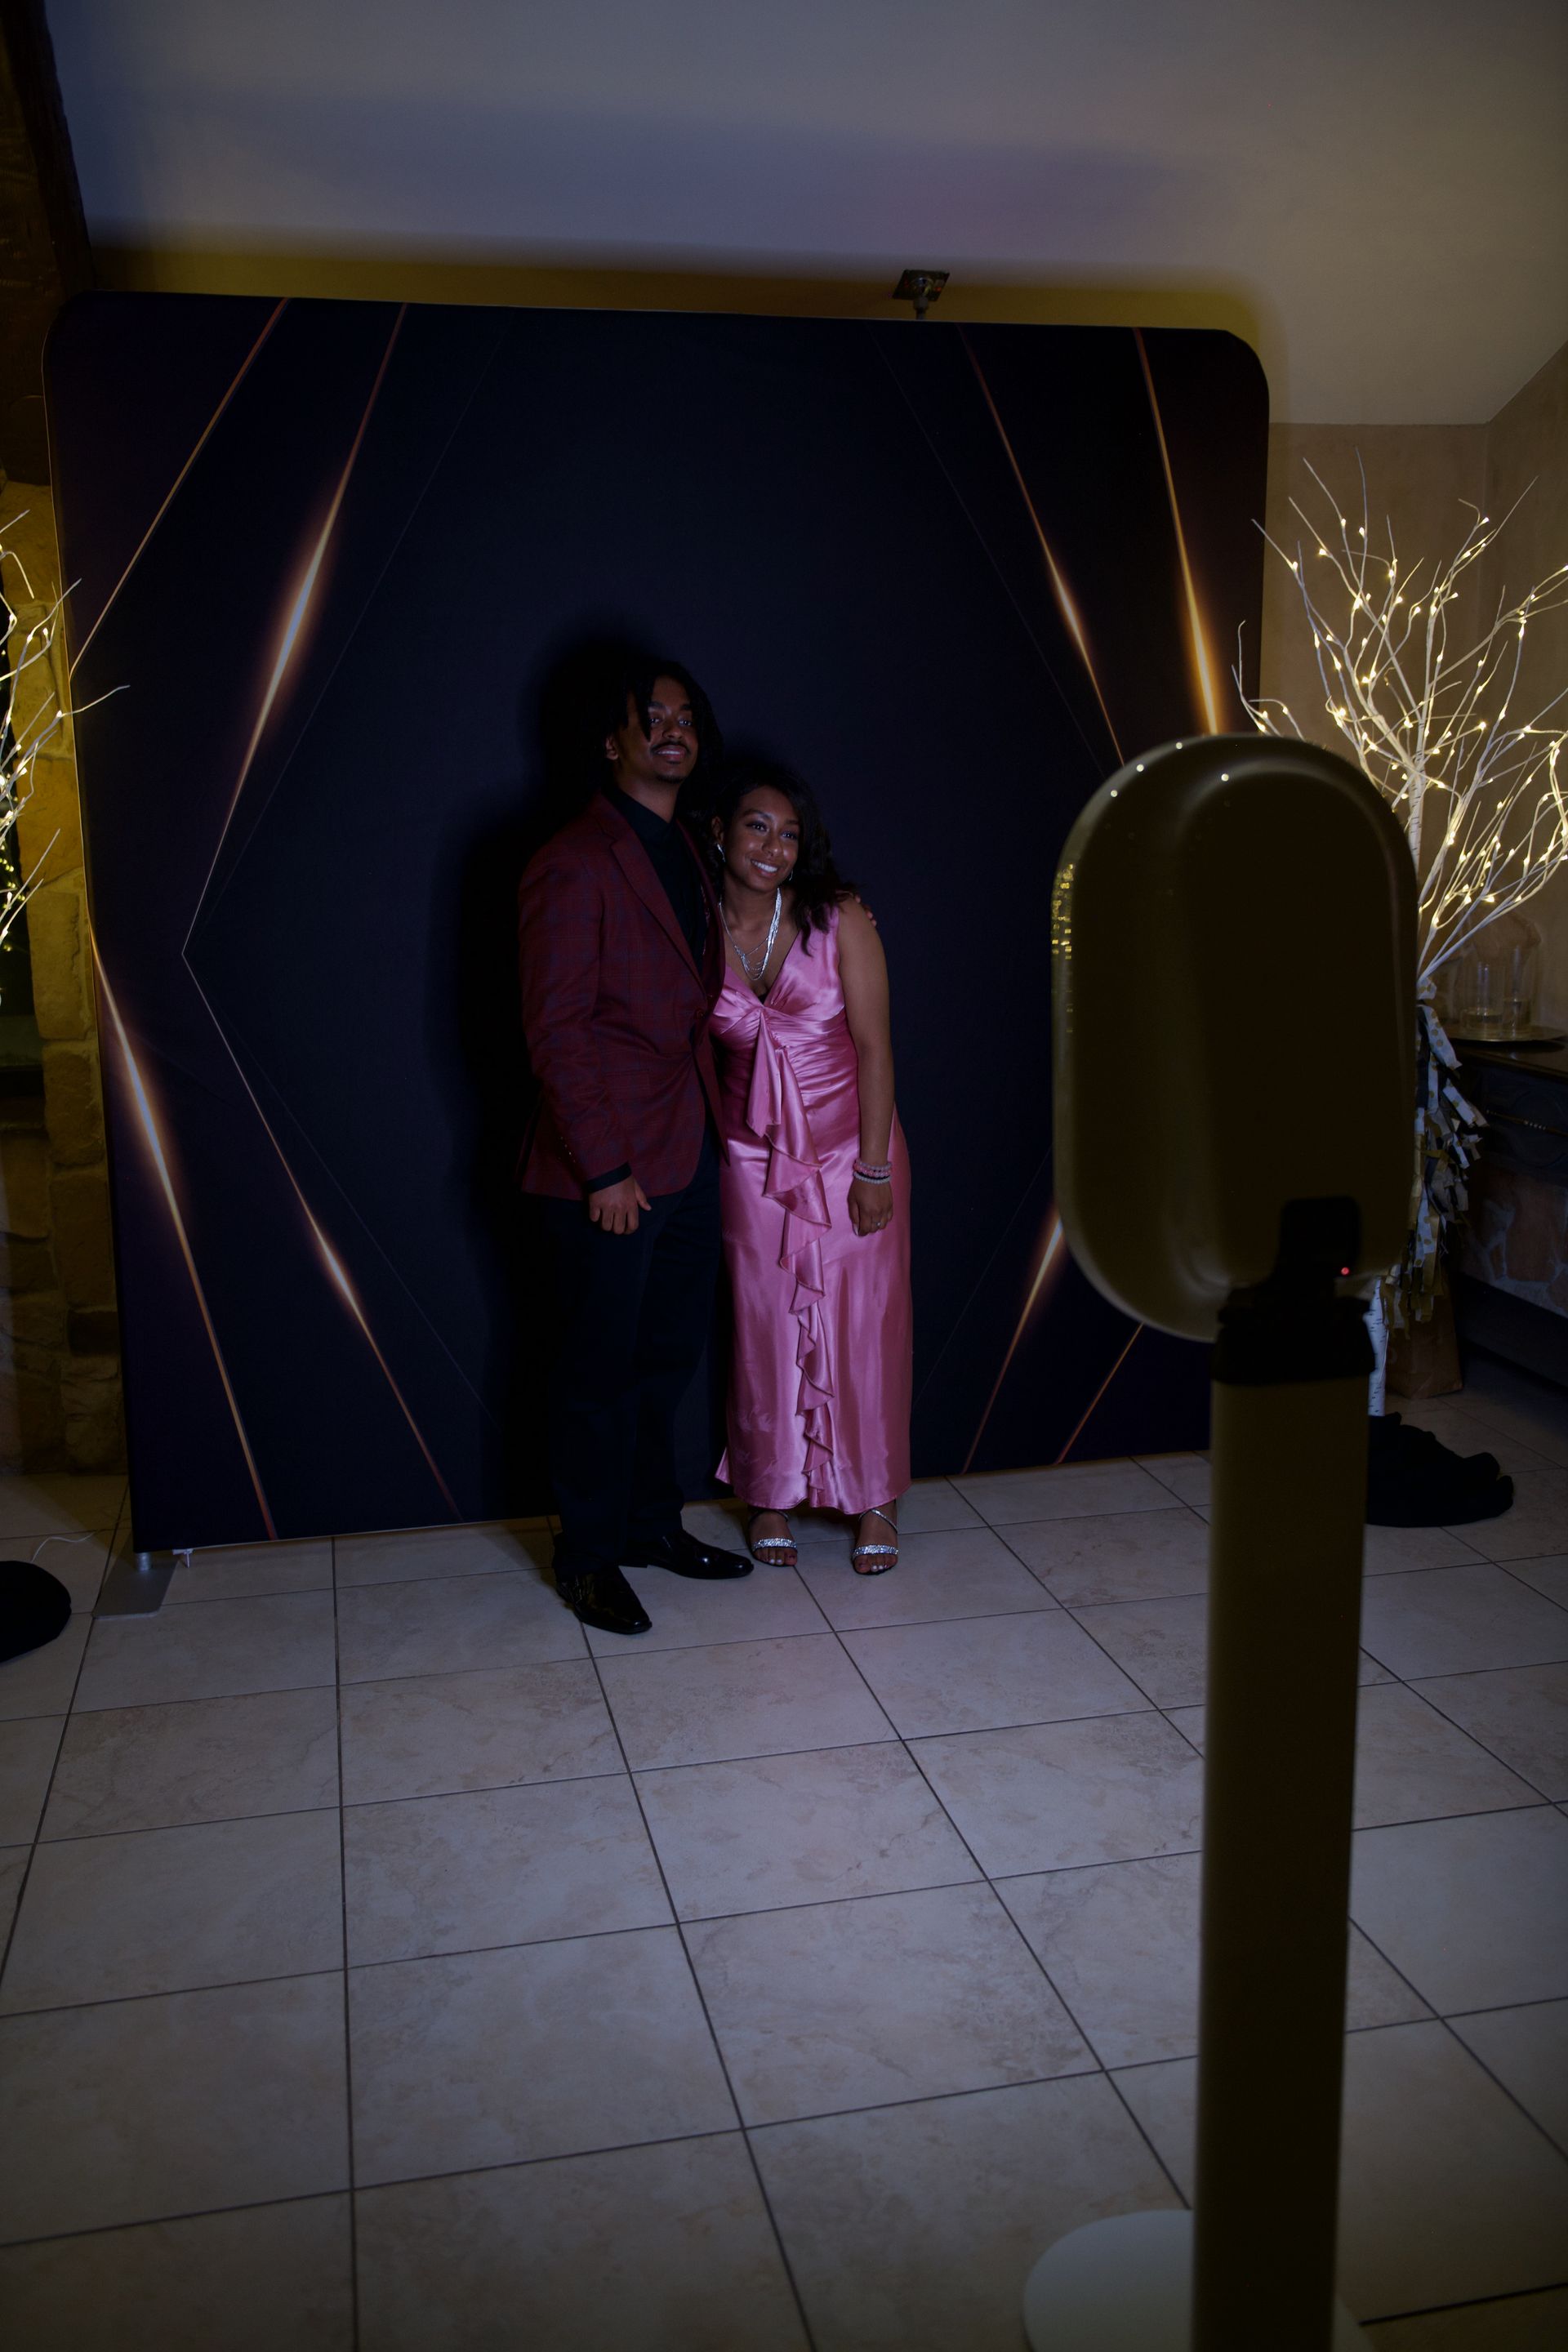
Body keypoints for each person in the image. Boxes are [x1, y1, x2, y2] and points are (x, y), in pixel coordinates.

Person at [517, 658, 752, 1637]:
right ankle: (587, 1554)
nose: (672, 731)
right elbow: (558, 1030)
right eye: (650, 718)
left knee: (664, 1363)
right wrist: (603, 1169)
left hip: (688, 1152)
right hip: (607, 1172)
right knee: (597, 1373)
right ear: (611, 741)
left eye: (685, 717)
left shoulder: (687, 847)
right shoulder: (574, 859)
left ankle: (654, 1526)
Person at [706, 758, 911, 1572]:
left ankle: (877, 1500)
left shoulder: (839, 918)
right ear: (720, 830)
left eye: (790, 833)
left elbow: (874, 1047)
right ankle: (769, 1494)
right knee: (763, 1328)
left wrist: (871, 1169)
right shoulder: (692, 922)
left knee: (862, 1329)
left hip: (848, 1154)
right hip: (748, 1158)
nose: (774, 846)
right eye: (757, 825)